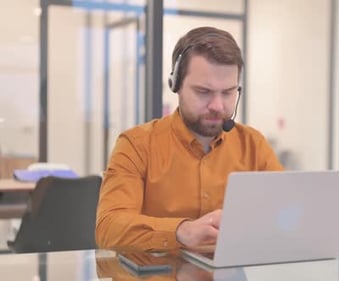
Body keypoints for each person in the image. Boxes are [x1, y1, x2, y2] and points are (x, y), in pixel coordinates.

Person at [95, 26, 284, 252]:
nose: (217, 106)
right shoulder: (137, 145)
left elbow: (284, 215)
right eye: (203, 92)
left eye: (228, 92)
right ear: (176, 85)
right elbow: (109, 228)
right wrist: (181, 232)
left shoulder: (253, 145)